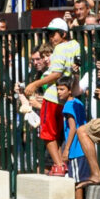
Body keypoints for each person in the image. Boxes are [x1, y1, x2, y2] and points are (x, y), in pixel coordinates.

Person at [24, 18, 80, 175]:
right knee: (60, 133)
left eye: (52, 33)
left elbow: (56, 73)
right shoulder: (76, 45)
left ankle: (59, 165)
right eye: (48, 34)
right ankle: (60, 164)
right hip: (66, 96)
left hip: (52, 96)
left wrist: (35, 84)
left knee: (47, 132)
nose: (50, 37)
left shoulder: (60, 49)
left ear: (63, 34)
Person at [56, 75, 89, 199]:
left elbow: (73, 127)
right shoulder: (78, 103)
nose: (59, 92)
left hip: (76, 148)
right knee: (82, 177)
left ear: (70, 90)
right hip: (84, 147)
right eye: (57, 89)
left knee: (76, 180)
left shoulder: (68, 106)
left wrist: (66, 148)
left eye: (62, 89)